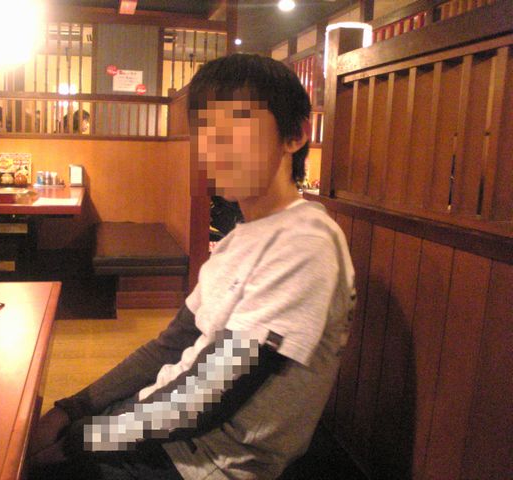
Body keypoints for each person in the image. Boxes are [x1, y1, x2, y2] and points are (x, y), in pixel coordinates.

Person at [27, 53, 356, 480]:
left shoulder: (306, 243)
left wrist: (80, 440)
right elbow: (168, 347)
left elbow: (209, 398)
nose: (215, 147)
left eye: (237, 125)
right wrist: (72, 409)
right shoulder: (238, 240)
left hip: (208, 463)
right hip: (166, 432)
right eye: (206, 131)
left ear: (294, 135)